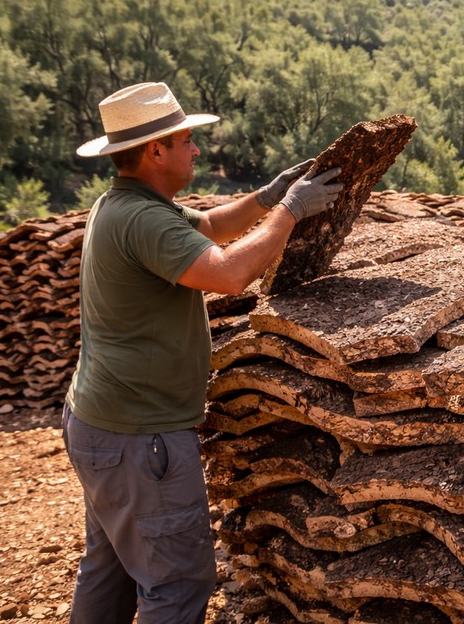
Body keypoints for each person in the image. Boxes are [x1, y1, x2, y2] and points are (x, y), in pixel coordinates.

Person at [62, 81, 343, 624]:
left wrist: (266, 198)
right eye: (186, 140)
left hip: (101, 425)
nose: (195, 150)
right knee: (177, 582)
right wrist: (290, 212)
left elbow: (211, 227)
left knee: (110, 568)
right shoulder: (142, 219)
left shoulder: (126, 204)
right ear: (155, 151)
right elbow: (230, 273)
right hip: (140, 435)